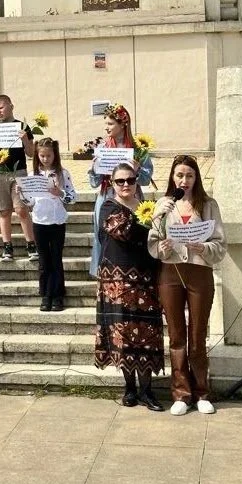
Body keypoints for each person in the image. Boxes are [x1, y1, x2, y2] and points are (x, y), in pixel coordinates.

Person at [148, 155, 227, 416]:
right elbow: (153, 241)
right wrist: (163, 247)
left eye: (189, 175)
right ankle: (181, 393)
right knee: (176, 333)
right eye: (180, 175)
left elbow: (220, 244)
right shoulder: (164, 204)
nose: (184, 180)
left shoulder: (208, 204)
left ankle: (202, 391)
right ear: (173, 177)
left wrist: (202, 247)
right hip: (170, 272)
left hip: (199, 271)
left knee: (197, 334)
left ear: (196, 178)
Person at [95, 162, 164, 411]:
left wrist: (159, 232)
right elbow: (122, 230)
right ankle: (130, 389)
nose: (126, 185)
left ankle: (147, 390)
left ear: (137, 181)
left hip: (146, 280)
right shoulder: (108, 207)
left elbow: (161, 236)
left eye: (130, 180)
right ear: (112, 184)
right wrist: (151, 227)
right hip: (117, 282)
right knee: (122, 335)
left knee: (147, 335)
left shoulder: (150, 209)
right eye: (120, 181)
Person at [88, 103, 153, 276]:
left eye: (110, 124)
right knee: (103, 236)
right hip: (107, 196)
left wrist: (138, 170)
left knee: (134, 233)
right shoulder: (102, 148)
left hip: (131, 196)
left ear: (122, 124)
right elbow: (93, 183)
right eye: (105, 123)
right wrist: (94, 169)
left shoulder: (137, 149)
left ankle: (136, 270)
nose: (106, 128)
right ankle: (104, 272)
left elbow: (146, 180)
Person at [19, 137, 76, 312]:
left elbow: (72, 198)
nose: (45, 159)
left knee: (56, 258)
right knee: (44, 260)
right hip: (39, 221)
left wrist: (60, 192)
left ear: (54, 155)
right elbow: (29, 202)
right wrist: (21, 193)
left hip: (57, 221)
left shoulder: (62, 173)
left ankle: (58, 294)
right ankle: (45, 294)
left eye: (48, 155)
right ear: (37, 156)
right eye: (42, 156)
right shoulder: (32, 176)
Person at [0, 94, 37, 261]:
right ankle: (7, 246)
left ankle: (31, 244)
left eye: (0, 107)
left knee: (21, 209)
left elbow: (30, 153)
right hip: (0, 174)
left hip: (19, 172)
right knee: (4, 211)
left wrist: (25, 139)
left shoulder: (23, 126)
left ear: (11, 106)